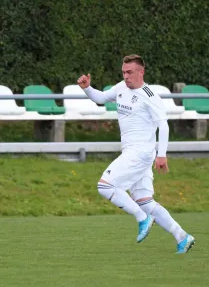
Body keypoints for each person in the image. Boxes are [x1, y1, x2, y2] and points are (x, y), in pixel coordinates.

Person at [77, 54, 195, 254]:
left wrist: (162, 155)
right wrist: (87, 87)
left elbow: (163, 126)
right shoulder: (121, 88)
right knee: (144, 201)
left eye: (130, 72)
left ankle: (142, 219)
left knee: (104, 186)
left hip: (140, 153)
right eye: (123, 72)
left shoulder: (149, 96)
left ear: (141, 72)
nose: (126, 76)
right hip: (134, 153)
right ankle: (182, 236)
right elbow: (101, 98)